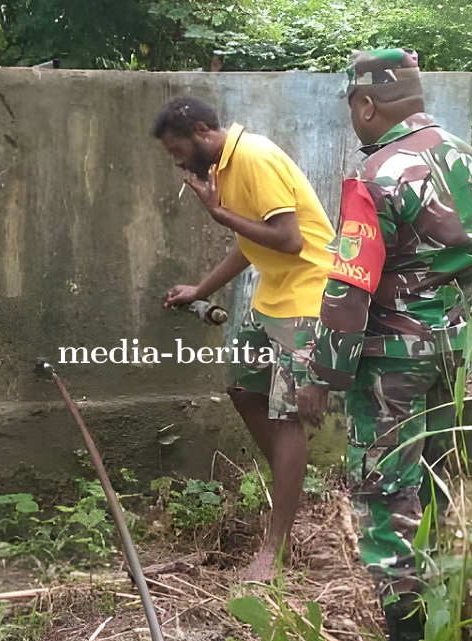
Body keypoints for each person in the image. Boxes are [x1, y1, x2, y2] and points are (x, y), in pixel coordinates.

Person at [153, 96, 338, 580]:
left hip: (307, 296)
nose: (177, 162)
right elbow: (252, 245)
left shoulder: (253, 156)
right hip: (275, 296)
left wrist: (221, 215)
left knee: (285, 414)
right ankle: (290, 490)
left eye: (177, 150)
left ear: (201, 131)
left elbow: (290, 240)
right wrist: (200, 290)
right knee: (244, 391)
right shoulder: (227, 168)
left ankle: (273, 550)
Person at [338, 48, 472, 641]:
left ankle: (408, 627)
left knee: (385, 491)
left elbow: (350, 287)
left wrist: (323, 374)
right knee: (435, 478)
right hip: (453, 346)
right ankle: (448, 605)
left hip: (391, 361)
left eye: (354, 107)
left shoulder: (376, 176)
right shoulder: (465, 156)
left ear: (366, 105)